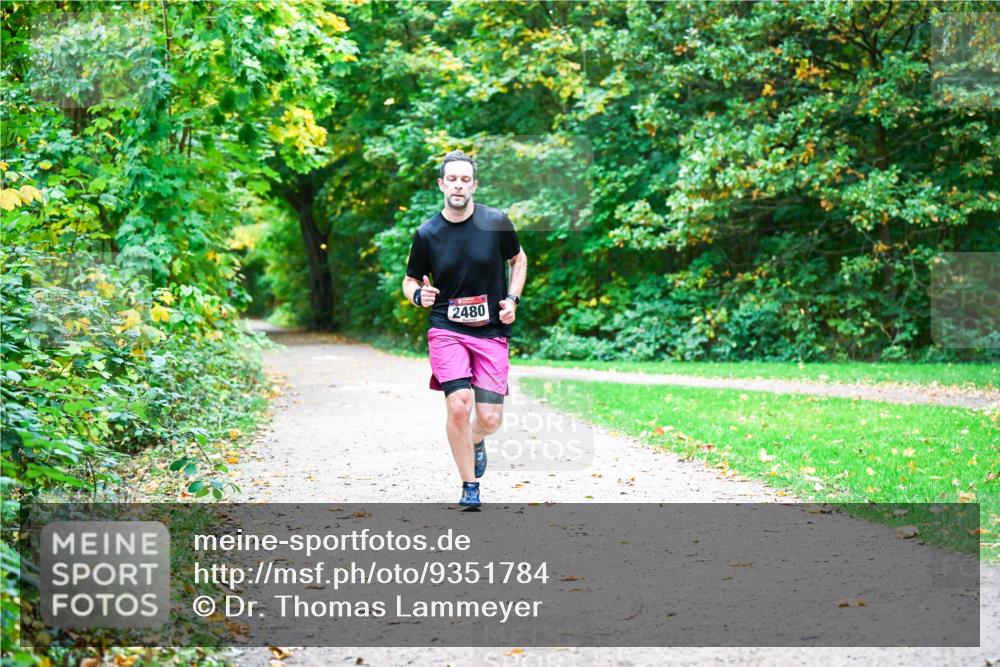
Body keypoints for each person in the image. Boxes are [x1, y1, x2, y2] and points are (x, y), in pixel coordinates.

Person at [402, 150, 527, 510]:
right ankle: (469, 484)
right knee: (459, 405)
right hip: (446, 328)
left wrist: (512, 299)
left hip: (489, 331)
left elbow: (518, 260)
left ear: (474, 184)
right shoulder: (427, 233)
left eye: (465, 179)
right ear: (442, 184)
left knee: (489, 418)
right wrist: (418, 296)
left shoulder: (496, 221)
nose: (458, 184)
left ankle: (475, 439)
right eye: (452, 179)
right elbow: (410, 280)